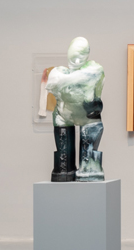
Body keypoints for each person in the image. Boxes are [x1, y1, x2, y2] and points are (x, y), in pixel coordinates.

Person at [45, 37, 105, 182]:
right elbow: (52, 84)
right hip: (71, 115)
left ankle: (80, 170)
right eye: (74, 55)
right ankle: (71, 170)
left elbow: (56, 86)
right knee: (67, 161)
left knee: (84, 161)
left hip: (83, 115)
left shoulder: (94, 69)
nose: (76, 60)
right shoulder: (92, 70)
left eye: (79, 55)